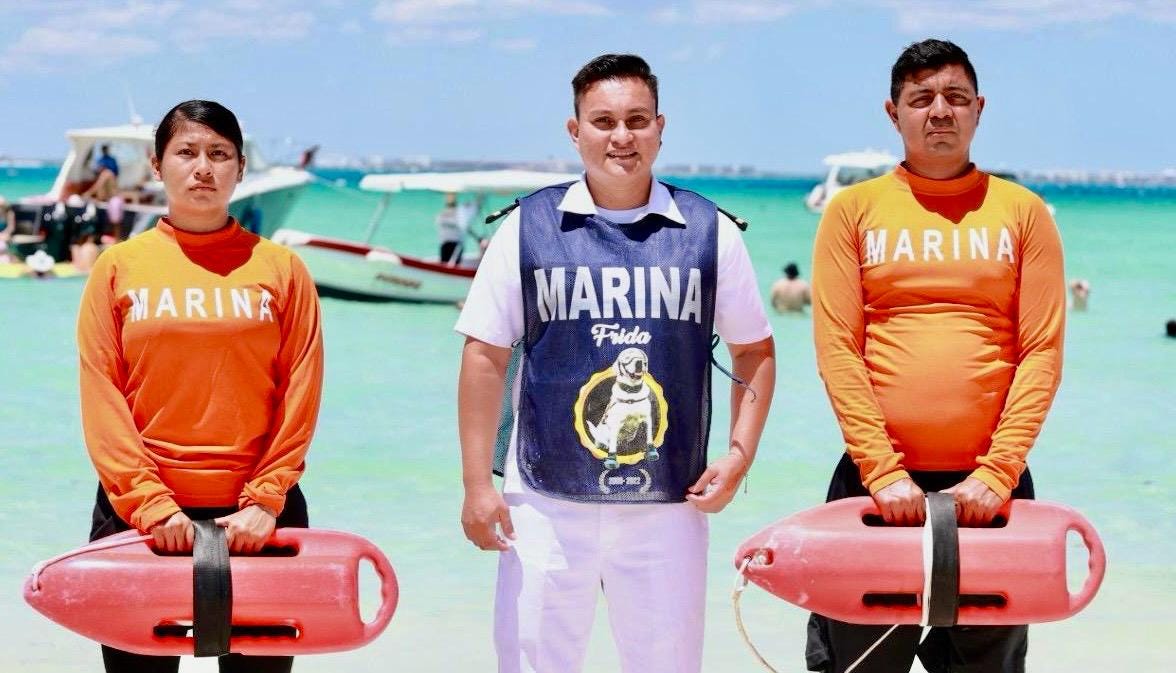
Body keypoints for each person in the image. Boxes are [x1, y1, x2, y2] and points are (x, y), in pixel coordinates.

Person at [456, 54, 775, 673]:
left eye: (636, 120)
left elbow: (754, 350)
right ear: (575, 130)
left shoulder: (710, 231)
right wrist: (476, 486)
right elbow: (484, 354)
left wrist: (739, 456)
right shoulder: (526, 228)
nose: (621, 136)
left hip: (670, 501)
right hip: (542, 500)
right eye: (603, 121)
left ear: (660, 127)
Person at [808, 39, 1064, 673]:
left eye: (955, 97)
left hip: (994, 496)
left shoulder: (1024, 213)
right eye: (921, 98)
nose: (940, 111)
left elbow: (1041, 351)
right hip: (874, 491)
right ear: (893, 112)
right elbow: (838, 348)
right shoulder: (852, 211)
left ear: (979, 108)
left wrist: (998, 474)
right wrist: (882, 471)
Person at [77, 100, 324, 673]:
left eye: (219, 154)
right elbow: (102, 394)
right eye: (186, 152)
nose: (203, 168)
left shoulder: (282, 269)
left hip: (259, 519)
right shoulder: (117, 268)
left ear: (241, 168)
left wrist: (265, 501)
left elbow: (300, 390)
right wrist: (150, 506)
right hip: (138, 514)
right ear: (157, 165)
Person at [436, 191, 479, 265]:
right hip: (444, 244)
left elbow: (466, 226)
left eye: (452, 195)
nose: (449, 197)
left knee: (454, 265)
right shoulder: (442, 213)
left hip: (456, 244)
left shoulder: (461, 211)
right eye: (448, 195)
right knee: (443, 264)